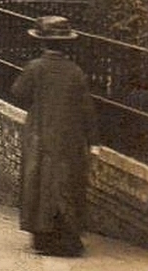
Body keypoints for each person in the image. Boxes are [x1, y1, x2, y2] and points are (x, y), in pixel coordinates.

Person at [13, 15, 97, 257]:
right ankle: (67, 239)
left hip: (39, 135)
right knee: (67, 185)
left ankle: (43, 239)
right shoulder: (75, 72)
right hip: (69, 138)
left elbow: (18, 92)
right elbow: (87, 108)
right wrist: (94, 142)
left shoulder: (35, 68)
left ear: (42, 42)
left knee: (40, 184)